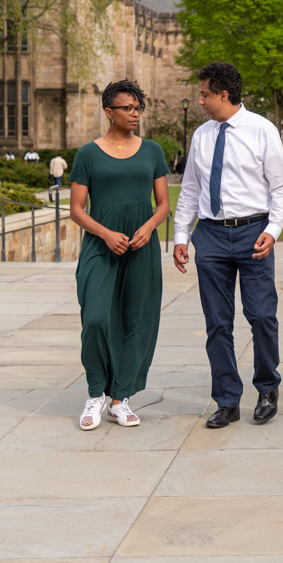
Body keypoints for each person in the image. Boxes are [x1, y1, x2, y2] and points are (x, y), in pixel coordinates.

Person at [173, 62, 283, 429]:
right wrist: (182, 234)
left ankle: (267, 388)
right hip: (210, 236)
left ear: (223, 95)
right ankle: (227, 400)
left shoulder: (262, 130)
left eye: (205, 94)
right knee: (217, 323)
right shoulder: (202, 135)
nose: (200, 101)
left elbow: (282, 188)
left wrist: (273, 230)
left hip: (253, 232)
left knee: (260, 315)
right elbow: (191, 188)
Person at [69, 80, 170, 430]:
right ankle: (96, 392)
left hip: (141, 248)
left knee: (133, 321)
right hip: (101, 245)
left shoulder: (153, 151)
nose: (135, 113)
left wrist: (149, 227)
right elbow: (77, 210)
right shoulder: (88, 154)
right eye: (127, 108)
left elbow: (163, 205)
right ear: (108, 112)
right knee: (96, 317)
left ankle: (119, 398)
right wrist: (106, 233)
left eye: (138, 107)